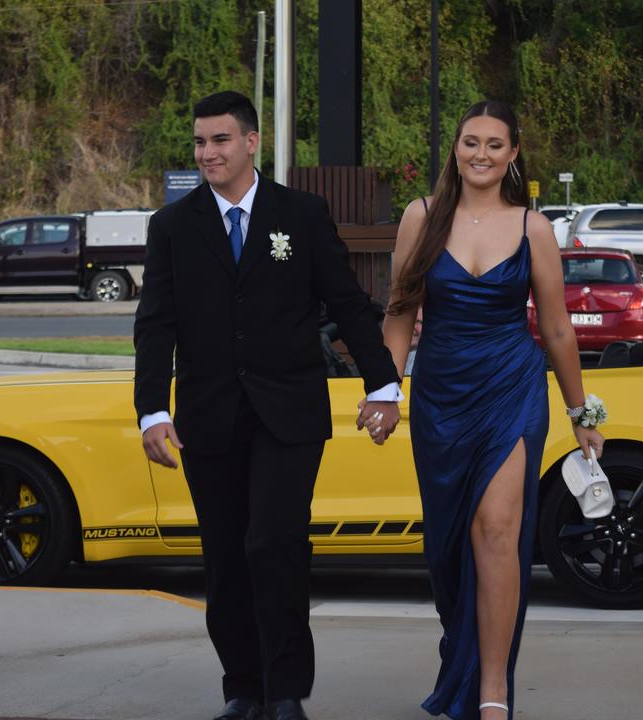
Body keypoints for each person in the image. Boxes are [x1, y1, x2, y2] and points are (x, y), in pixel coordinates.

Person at [133, 90, 402, 720]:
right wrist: (152, 410)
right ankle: (242, 689)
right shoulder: (172, 226)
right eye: (199, 142)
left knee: (274, 542)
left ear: (251, 142)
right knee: (225, 555)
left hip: (288, 416)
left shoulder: (302, 215)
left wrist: (383, 385)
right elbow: (155, 325)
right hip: (209, 416)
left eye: (220, 140)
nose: (208, 153)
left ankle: (285, 692)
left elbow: (347, 303)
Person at [369, 100, 605, 720]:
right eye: (470, 142)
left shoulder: (533, 228)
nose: (481, 154)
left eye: (494, 145)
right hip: (442, 394)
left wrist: (583, 415)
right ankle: (464, 662)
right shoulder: (421, 217)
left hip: (511, 388)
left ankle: (494, 691)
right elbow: (398, 315)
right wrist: (386, 392)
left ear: (513, 155)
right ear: (455, 149)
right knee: (447, 550)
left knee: (498, 532)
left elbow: (556, 330)